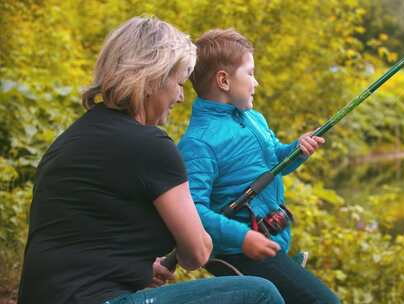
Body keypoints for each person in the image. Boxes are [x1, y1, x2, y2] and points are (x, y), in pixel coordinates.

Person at [17, 17, 284, 304]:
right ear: (153, 78)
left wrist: (136, 270)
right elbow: (197, 253)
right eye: (178, 83)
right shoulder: (151, 146)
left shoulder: (69, 141)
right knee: (260, 294)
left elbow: (83, 238)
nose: (180, 96)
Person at [178, 28, 340, 303]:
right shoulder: (199, 143)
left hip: (270, 243)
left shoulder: (254, 118)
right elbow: (192, 213)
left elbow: (274, 162)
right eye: (250, 73)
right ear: (223, 80)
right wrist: (243, 237)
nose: (256, 83)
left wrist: (296, 150)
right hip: (239, 254)